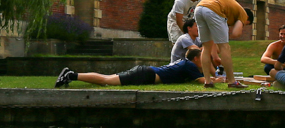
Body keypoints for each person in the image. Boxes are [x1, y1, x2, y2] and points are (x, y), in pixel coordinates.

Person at [54, 47, 220, 87]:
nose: (205, 61)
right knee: (106, 80)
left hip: (145, 72)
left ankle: (71, 75)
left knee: (108, 79)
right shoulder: (190, 66)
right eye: (203, 58)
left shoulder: (186, 63)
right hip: (145, 75)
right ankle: (70, 75)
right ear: (197, 58)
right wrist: (218, 79)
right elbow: (204, 81)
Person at [194, 0, 253, 88]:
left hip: (199, 9)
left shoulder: (232, 8)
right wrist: (241, 25)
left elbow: (212, 40)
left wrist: (215, 56)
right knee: (225, 47)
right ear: (247, 18)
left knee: (206, 47)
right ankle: (232, 82)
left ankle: (208, 82)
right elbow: (235, 33)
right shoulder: (243, 13)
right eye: (246, 24)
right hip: (214, 9)